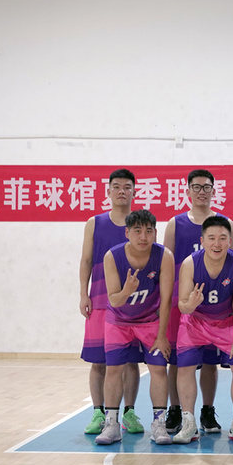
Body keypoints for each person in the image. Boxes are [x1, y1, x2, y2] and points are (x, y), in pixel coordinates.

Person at [163, 169, 233, 435]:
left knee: (210, 362)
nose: (202, 192)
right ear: (188, 191)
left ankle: (207, 410)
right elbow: (166, 264)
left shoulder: (224, 223)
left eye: (206, 187)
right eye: (197, 187)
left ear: (214, 191)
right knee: (177, 361)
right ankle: (176, 410)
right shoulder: (175, 223)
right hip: (182, 304)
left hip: (217, 306)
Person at [171, 216, 233, 444]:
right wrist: (191, 304)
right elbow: (183, 306)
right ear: (202, 241)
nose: (217, 244)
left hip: (227, 322)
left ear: (230, 241)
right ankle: (189, 424)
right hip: (195, 322)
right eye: (211, 238)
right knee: (184, 367)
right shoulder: (189, 263)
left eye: (222, 238)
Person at [95, 210, 175, 445]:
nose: (143, 236)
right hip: (119, 321)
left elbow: (167, 300)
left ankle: (159, 424)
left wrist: (162, 336)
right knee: (113, 369)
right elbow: (114, 300)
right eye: (137, 231)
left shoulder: (164, 256)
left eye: (149, 231)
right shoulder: (112, 256)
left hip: (150, 321)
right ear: (127, 233)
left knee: (158, 369)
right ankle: (111, 424)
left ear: (155, 233)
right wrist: (127, 291)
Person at [79, 168, 143, 436]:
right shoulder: (94, 223)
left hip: (133, 306)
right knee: (99, 361)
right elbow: (86, 260)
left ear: (134, 192)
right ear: (108, 191)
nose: (121, 191)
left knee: (130, 362)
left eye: (127, 187)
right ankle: (98, 412)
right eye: (116, 186)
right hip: (100, 301)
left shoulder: (141, 224)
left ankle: (129, 413)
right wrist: (83, 293)